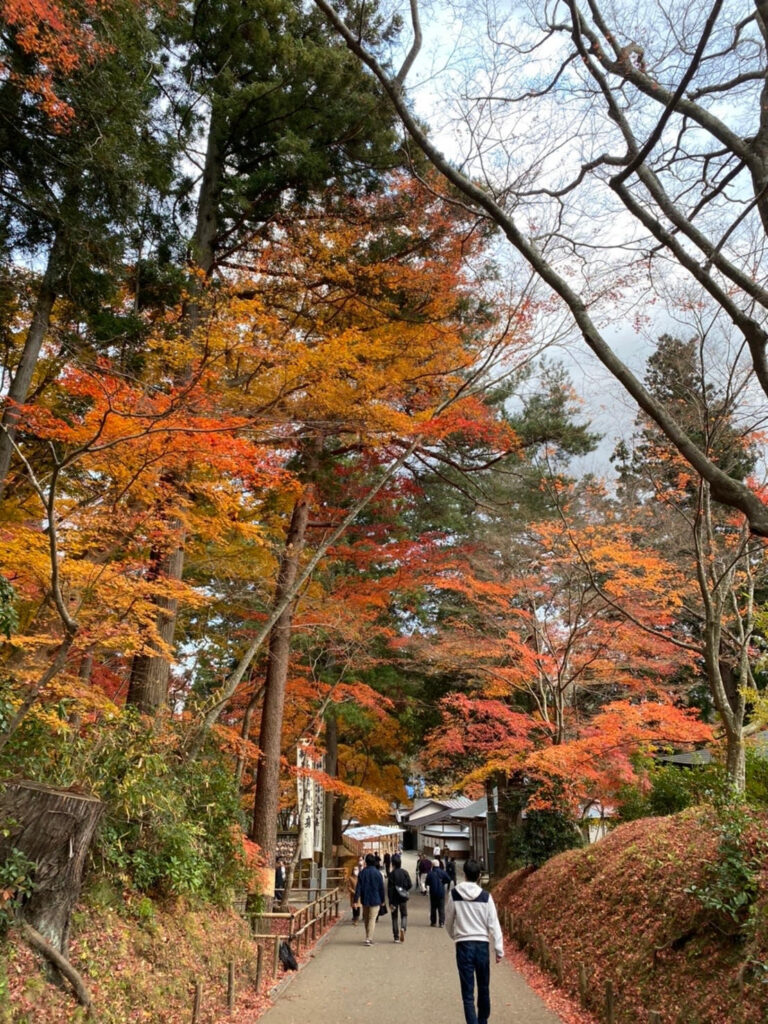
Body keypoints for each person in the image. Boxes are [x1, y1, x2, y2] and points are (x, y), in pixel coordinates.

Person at [445, 858, 504, 1024]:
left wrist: (454, 936)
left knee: (467, 992)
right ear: (479, 875)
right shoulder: (486, 897)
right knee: (484, 988)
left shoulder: (455, 893)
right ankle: (483, 1020)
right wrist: (499, 949)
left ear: (464, 874)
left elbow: (448, 920)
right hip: (482, 945)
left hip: (463, 944)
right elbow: (494, 924)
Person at [353, 852, 386, 946]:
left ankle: (368, 936)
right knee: (372, 919)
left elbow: (358, 888)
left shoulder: (362, 873)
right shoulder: (378, 873)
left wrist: (355, 900)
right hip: (376, 899)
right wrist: (383, 900)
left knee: (367, 918)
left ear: (366, 862)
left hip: (365, 899)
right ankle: (369, 938)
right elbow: (381, 888)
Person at [387, 853, 412, 943]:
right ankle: (403, 928)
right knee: (404, 915)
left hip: (394, 899)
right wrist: (404, 890)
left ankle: (396, 937)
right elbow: (410, 884)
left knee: (394, 917)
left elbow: (389, 889)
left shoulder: (391, 874)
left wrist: (390, 901)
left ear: (393, 864)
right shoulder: (405, 872)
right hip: (403, 898)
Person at [425, 859, 451, 927]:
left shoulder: (430, 873)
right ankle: (441, 922)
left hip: (433, 892)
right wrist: (443, 882)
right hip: (441, 892)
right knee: (441, 908)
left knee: (433, 908)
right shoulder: (443, 872)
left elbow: (427, 882)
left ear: (432, 865)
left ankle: (433, 922)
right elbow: (448, 879)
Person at [347, 861, 361, 926]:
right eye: (354, 869)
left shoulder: (360, 877)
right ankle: (355, 917)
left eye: (357, 869)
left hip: (359, 895)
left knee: (358, 907)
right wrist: (353, 891)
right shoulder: (350, 878)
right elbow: (349, 887)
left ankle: (357, 919)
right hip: (353, 895)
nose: (356, 871)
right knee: (354, 907)